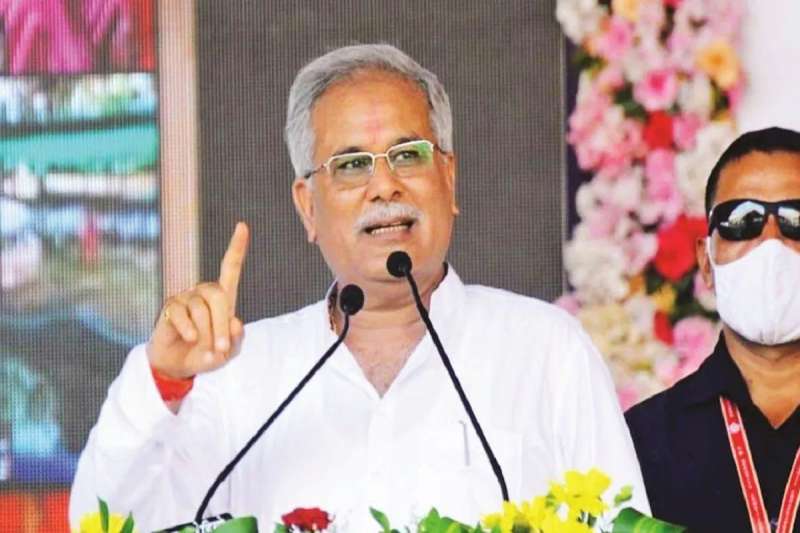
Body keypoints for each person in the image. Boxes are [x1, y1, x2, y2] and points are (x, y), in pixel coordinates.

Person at [69, 44, 648, 531]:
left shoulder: (546, 351)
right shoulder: (238, 375)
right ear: (308, 208)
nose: (384, 186)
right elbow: (107, 521)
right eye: (350, 165)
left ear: (448, 179)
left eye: (408, 155)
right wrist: (163, 380)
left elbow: (620, 520)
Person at [626, 127, 800, 532]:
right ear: (706, 263)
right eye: (742, 220)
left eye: (796, 219)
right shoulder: (642, 441)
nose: (770, 242)